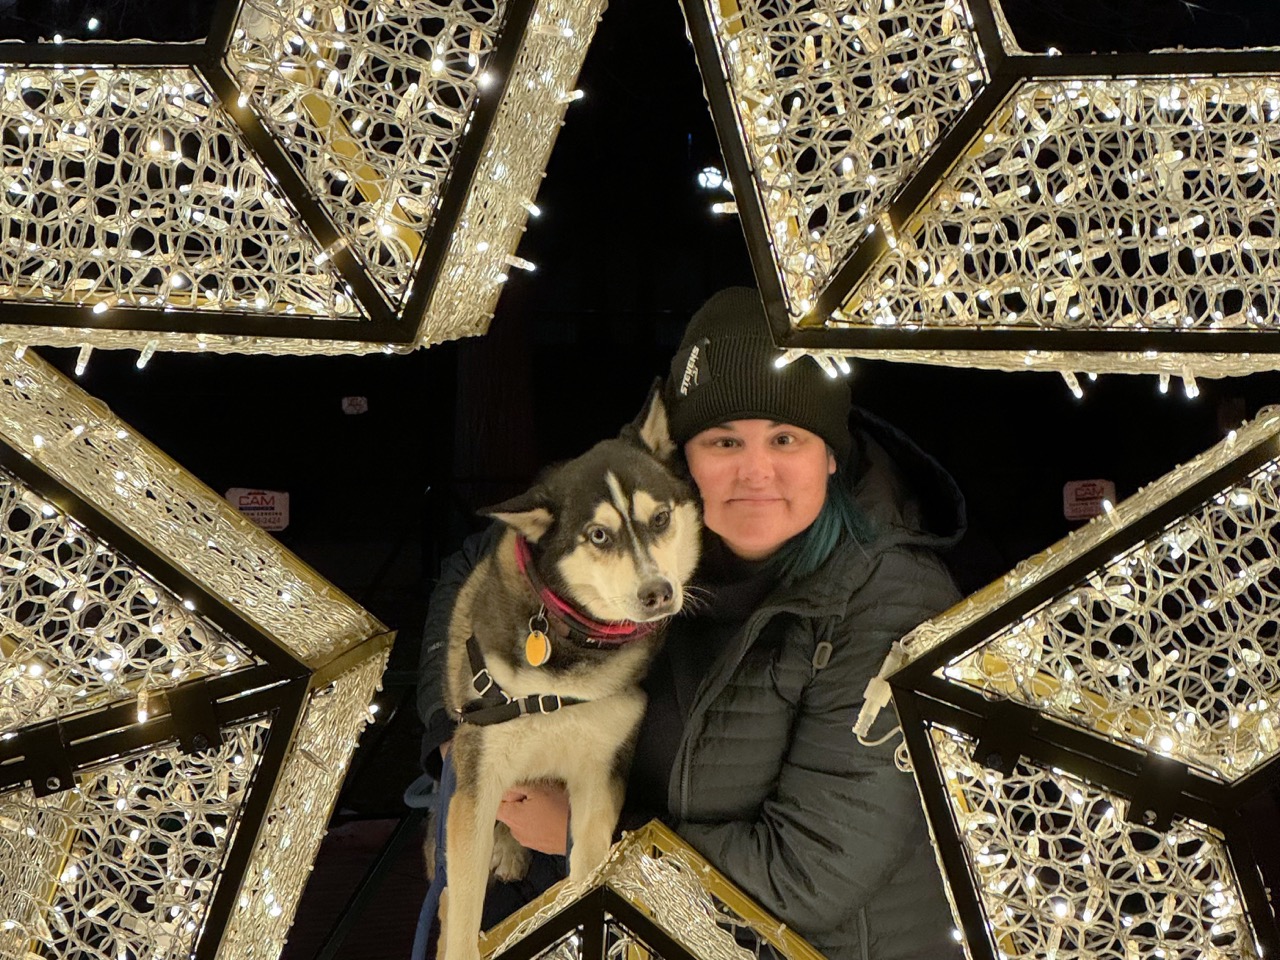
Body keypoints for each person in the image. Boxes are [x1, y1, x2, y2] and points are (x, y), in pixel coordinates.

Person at [411, 287, 967, 960]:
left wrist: (588, 836)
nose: (755, 472)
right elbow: (484, 561)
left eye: (785, 439)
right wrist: (454, 728)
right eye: (724, 439)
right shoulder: (658, 533)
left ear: (829, 454)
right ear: (682, 456)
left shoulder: (889, 602)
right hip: (638, 924)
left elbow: (807, 876)